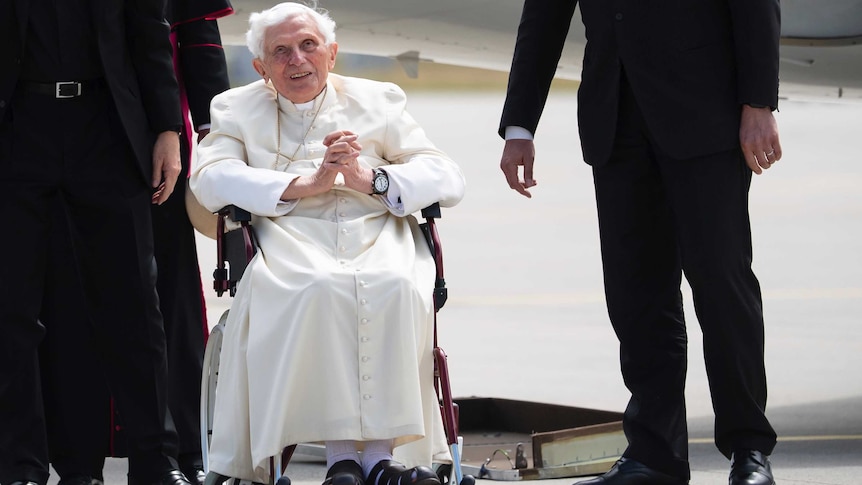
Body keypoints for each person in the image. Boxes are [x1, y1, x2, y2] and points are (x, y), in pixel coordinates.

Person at [498, 2, 781, 485]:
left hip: (705, 111)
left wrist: (759, 102)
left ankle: (749, 448)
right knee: (637, 297)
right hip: (616, 118)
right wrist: (520, 125)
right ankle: (655, 454)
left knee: (721, 287)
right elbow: (543, 16)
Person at [188, 2, 466, 484]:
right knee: (317, 286)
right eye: (281, 52)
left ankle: (378, 461)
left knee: (396, 284)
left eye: (308, 46)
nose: (297, 60)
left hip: (377, 231)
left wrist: (369, 178)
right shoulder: (233, 107)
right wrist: (304, 185)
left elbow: (447, 175)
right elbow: (209, 179)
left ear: (331, 54)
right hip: (288, 236)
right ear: (261, 67)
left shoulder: (380, 99)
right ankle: (342, 458)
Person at [36, 1, 234, 484]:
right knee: (63, 292)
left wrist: (216, 138)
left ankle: (182, 446)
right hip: (55, 132)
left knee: (160, 299)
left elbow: (199, 40)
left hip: (149, 135)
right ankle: (76, 454)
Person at [0, 1, 191, 485]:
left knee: (134, 305)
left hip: (106, 128)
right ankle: (21, 464)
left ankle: (156, 461)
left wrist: (168, 128)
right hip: (18, 129)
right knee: (13, 311)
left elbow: (150, 35)